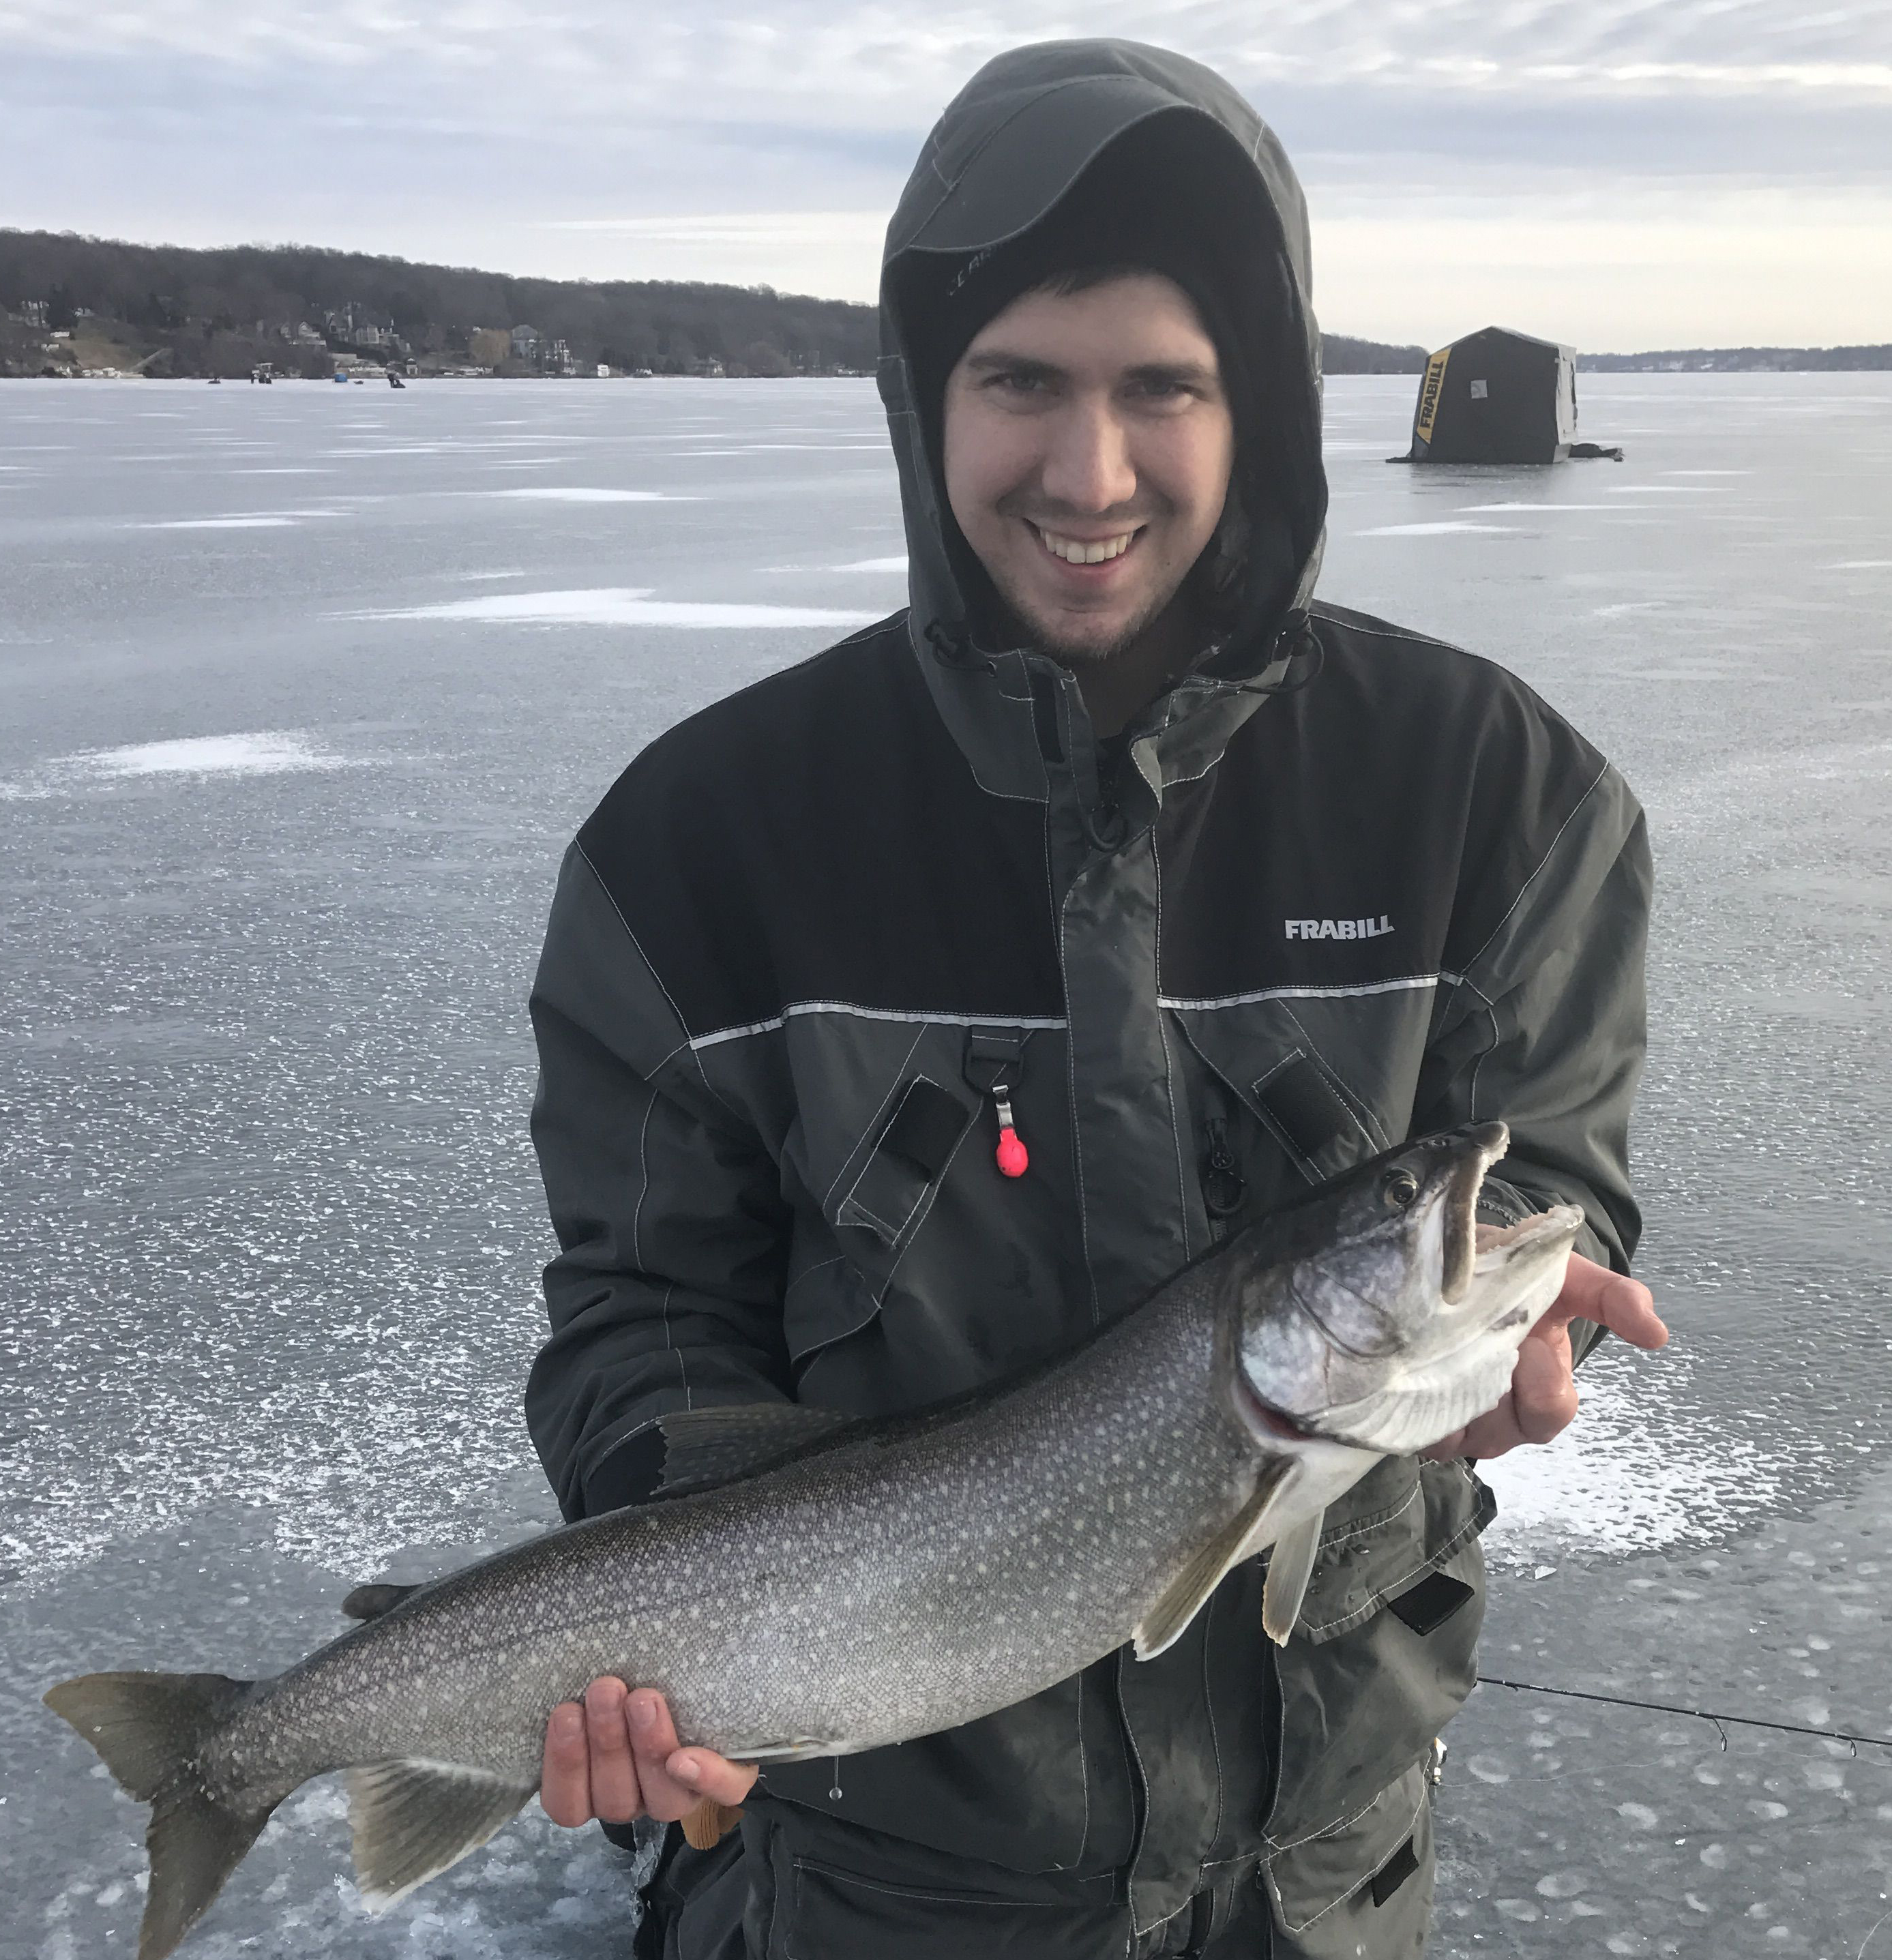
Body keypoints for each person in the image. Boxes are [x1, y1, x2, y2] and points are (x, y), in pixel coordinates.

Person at [522, 38, 1664, 1960]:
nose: (1091, 470)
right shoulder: (699, 846)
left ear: (1265, 407)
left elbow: (1543, 1179)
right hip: (865, 1879)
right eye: (1022, 383)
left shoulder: (1495, 795)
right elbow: (640, 1326)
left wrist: (1540, 1317)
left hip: (1329, 1873)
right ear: (925, 403)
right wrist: (663, 1640)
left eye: (1164, 387)